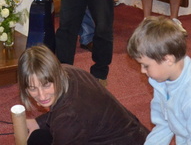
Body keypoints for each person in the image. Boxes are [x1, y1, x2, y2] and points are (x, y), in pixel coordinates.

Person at [18, 45, 149, 144]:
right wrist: (38, 122)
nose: (41, 95)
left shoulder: (68, 118)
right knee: (38, 137)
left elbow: (68, 117)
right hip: (137, 135)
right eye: (32, 88)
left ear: (56, 75)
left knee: (37, 140)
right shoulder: (67, 71)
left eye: (46, 85)